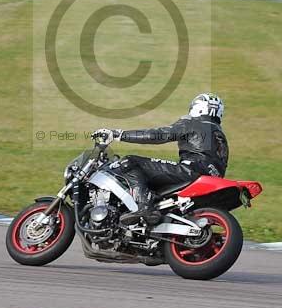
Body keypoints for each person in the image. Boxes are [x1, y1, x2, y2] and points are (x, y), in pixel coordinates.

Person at [93, 93, 229, 225]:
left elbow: (160, 135)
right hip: (211, 178)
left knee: (129, 162)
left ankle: (144, 207)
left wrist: (119, 135)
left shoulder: (193, 123)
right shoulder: (219, 133)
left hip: (190, 171)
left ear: (198, 107)